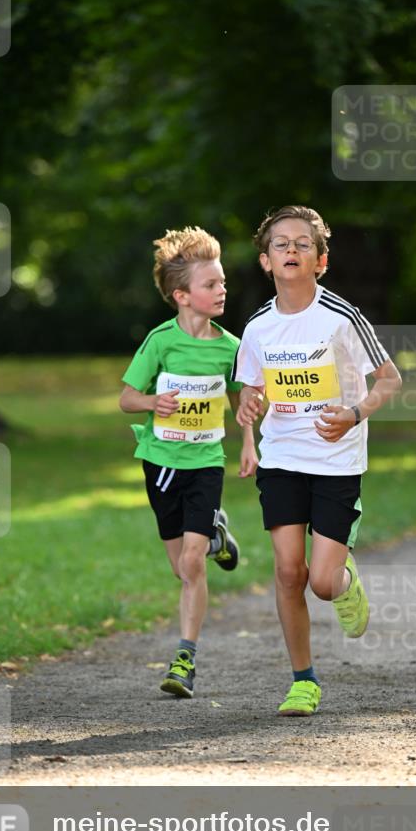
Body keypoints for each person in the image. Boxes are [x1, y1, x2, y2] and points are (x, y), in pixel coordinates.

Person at [234, 205, 402, 716]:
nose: (290, 250)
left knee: (321, 582)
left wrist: (355, 413)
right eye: (280, 244)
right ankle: (303, 680)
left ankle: (344, 580)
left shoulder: (341, 318)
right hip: (282, 455)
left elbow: (389, 380)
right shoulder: (258, 327)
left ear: (320, 260)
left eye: (302, 244)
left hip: (336, 458)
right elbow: (250, 388)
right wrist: (248, 404)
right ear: (266, 261)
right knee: (288, 571)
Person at [120, 226, 258, 699]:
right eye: (210, 285)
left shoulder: (231, 348)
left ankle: (185, 659)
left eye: (222, 283)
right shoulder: (160, 342)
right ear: (182, 295)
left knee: (193, 564)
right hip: (160, 463)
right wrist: (152, 403)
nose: (222, 291)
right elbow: (126, 398)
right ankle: (219, 536)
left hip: (205, 464)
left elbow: (246, 397)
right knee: (182, 568)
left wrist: (248, 442)